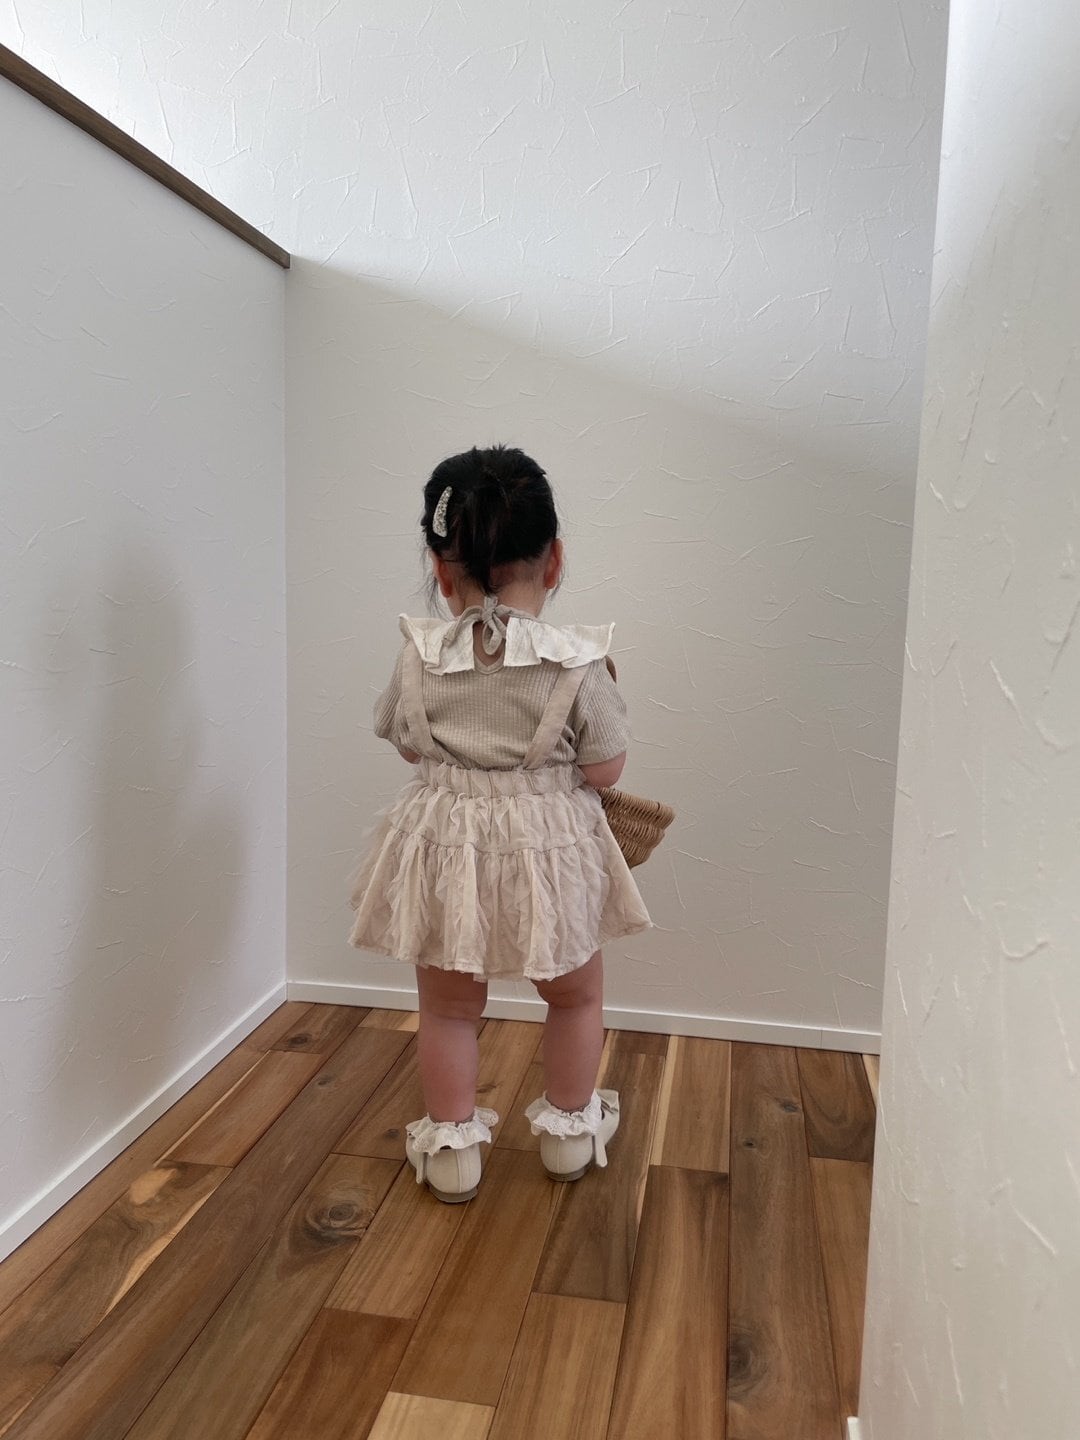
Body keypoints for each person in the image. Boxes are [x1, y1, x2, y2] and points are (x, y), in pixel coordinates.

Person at [349, 445, 651, 1202]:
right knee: (574, 994)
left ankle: (452, 1149)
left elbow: (405, 741)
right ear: (555, 561)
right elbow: (607, 769)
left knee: (448, 1007)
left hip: (446, 842)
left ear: (439, 569)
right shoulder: (576, 663)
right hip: (548, 846)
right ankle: (570, 1134)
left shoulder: (420, 656)